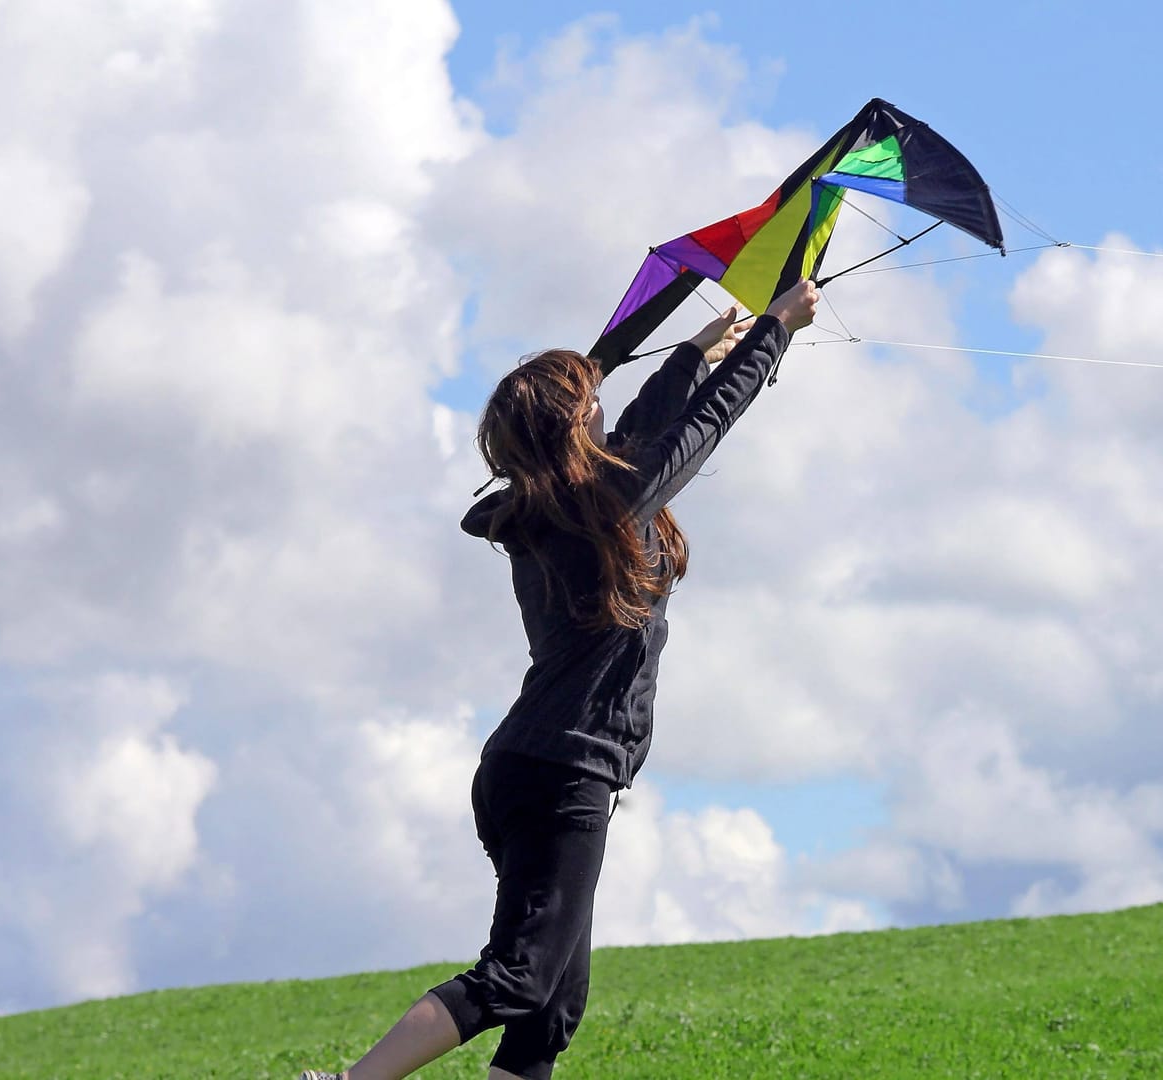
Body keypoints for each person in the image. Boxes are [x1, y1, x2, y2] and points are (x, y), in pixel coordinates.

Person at [300, 279, 820, 1080]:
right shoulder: (601, 502)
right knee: (523, 975)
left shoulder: (564, 504)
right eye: (589, 407)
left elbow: (651, 426)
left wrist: (691, 351)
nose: (604, 414)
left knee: (550, 1011)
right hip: (560, 770)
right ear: (572, 429)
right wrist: (773, 332)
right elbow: (702, 427)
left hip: (534, 770)